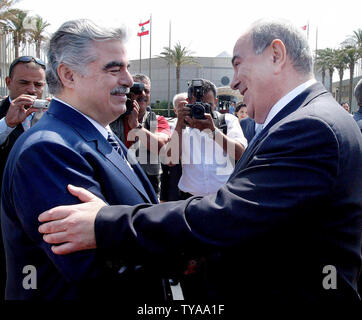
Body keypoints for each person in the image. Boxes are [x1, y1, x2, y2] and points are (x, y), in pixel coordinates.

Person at [38, 19, 362, 305]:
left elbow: (230, 214)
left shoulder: (310, 126)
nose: (233, 82)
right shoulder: (306, 118)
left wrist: (105, 223)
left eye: (238, 65)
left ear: (276, 55)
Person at [1, 19, 165, 300]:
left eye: (127, 68)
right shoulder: (49, 151)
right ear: (69, 75)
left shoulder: (97, 134)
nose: (128, 80)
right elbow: (95, 269)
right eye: (114, 69)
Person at [0, 55, 46, 300]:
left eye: (38, 85)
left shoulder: (51, 116)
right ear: (8, 82)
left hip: (37, 219)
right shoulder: (2, 114)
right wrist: (7, 124)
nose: (31, 90)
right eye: (24, 83)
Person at [167, 79, 247, 199]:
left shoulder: (227, 121)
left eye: (207, 105)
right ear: (188, 103)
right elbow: (170, 161)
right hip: (190, 198)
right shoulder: (178, 125)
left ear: (215, 102)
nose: (202, 110)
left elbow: (241, 154)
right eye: (197, 105)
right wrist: (180, 124)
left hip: (224, 197)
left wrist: (213, 131)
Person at [110, 74, 170, 197]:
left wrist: (136, 126)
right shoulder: (111, 118)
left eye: (146, 91)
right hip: (117, 180)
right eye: (137, 90)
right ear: (127, 93)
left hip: (148, 182)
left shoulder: (158, 120)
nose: (142, 94)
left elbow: (162, 148)